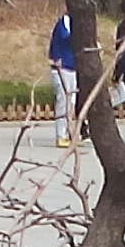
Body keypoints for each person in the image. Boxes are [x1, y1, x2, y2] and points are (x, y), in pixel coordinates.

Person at [48, 12, 79, 147]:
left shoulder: (78, 24)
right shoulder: (63, 23)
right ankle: (60, 135)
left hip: (73, 67)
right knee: (63, 101)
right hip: (62, 68)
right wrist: (56, 59)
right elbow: (59, 42)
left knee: (72, 102)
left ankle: (69, 133)